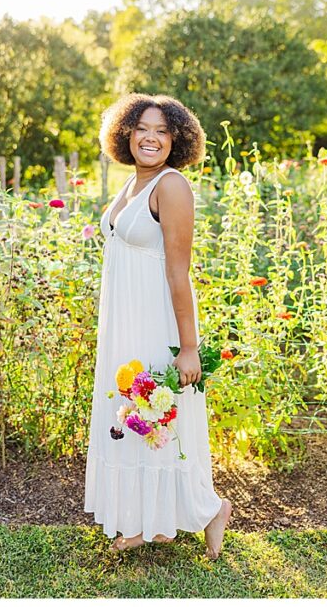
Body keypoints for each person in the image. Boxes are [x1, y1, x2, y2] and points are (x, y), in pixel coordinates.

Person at [83, 93, 232, 559]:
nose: (151, 137)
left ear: (178, 139)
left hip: (155, 322)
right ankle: (153, 523)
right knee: (134, 417)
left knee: (155, 417)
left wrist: (188, 348)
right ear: (125, 132)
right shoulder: (131, 183)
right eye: (142, 128)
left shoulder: (171, 186)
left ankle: (208, 508)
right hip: (125, 321)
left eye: (163, 131)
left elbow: (178, 272)